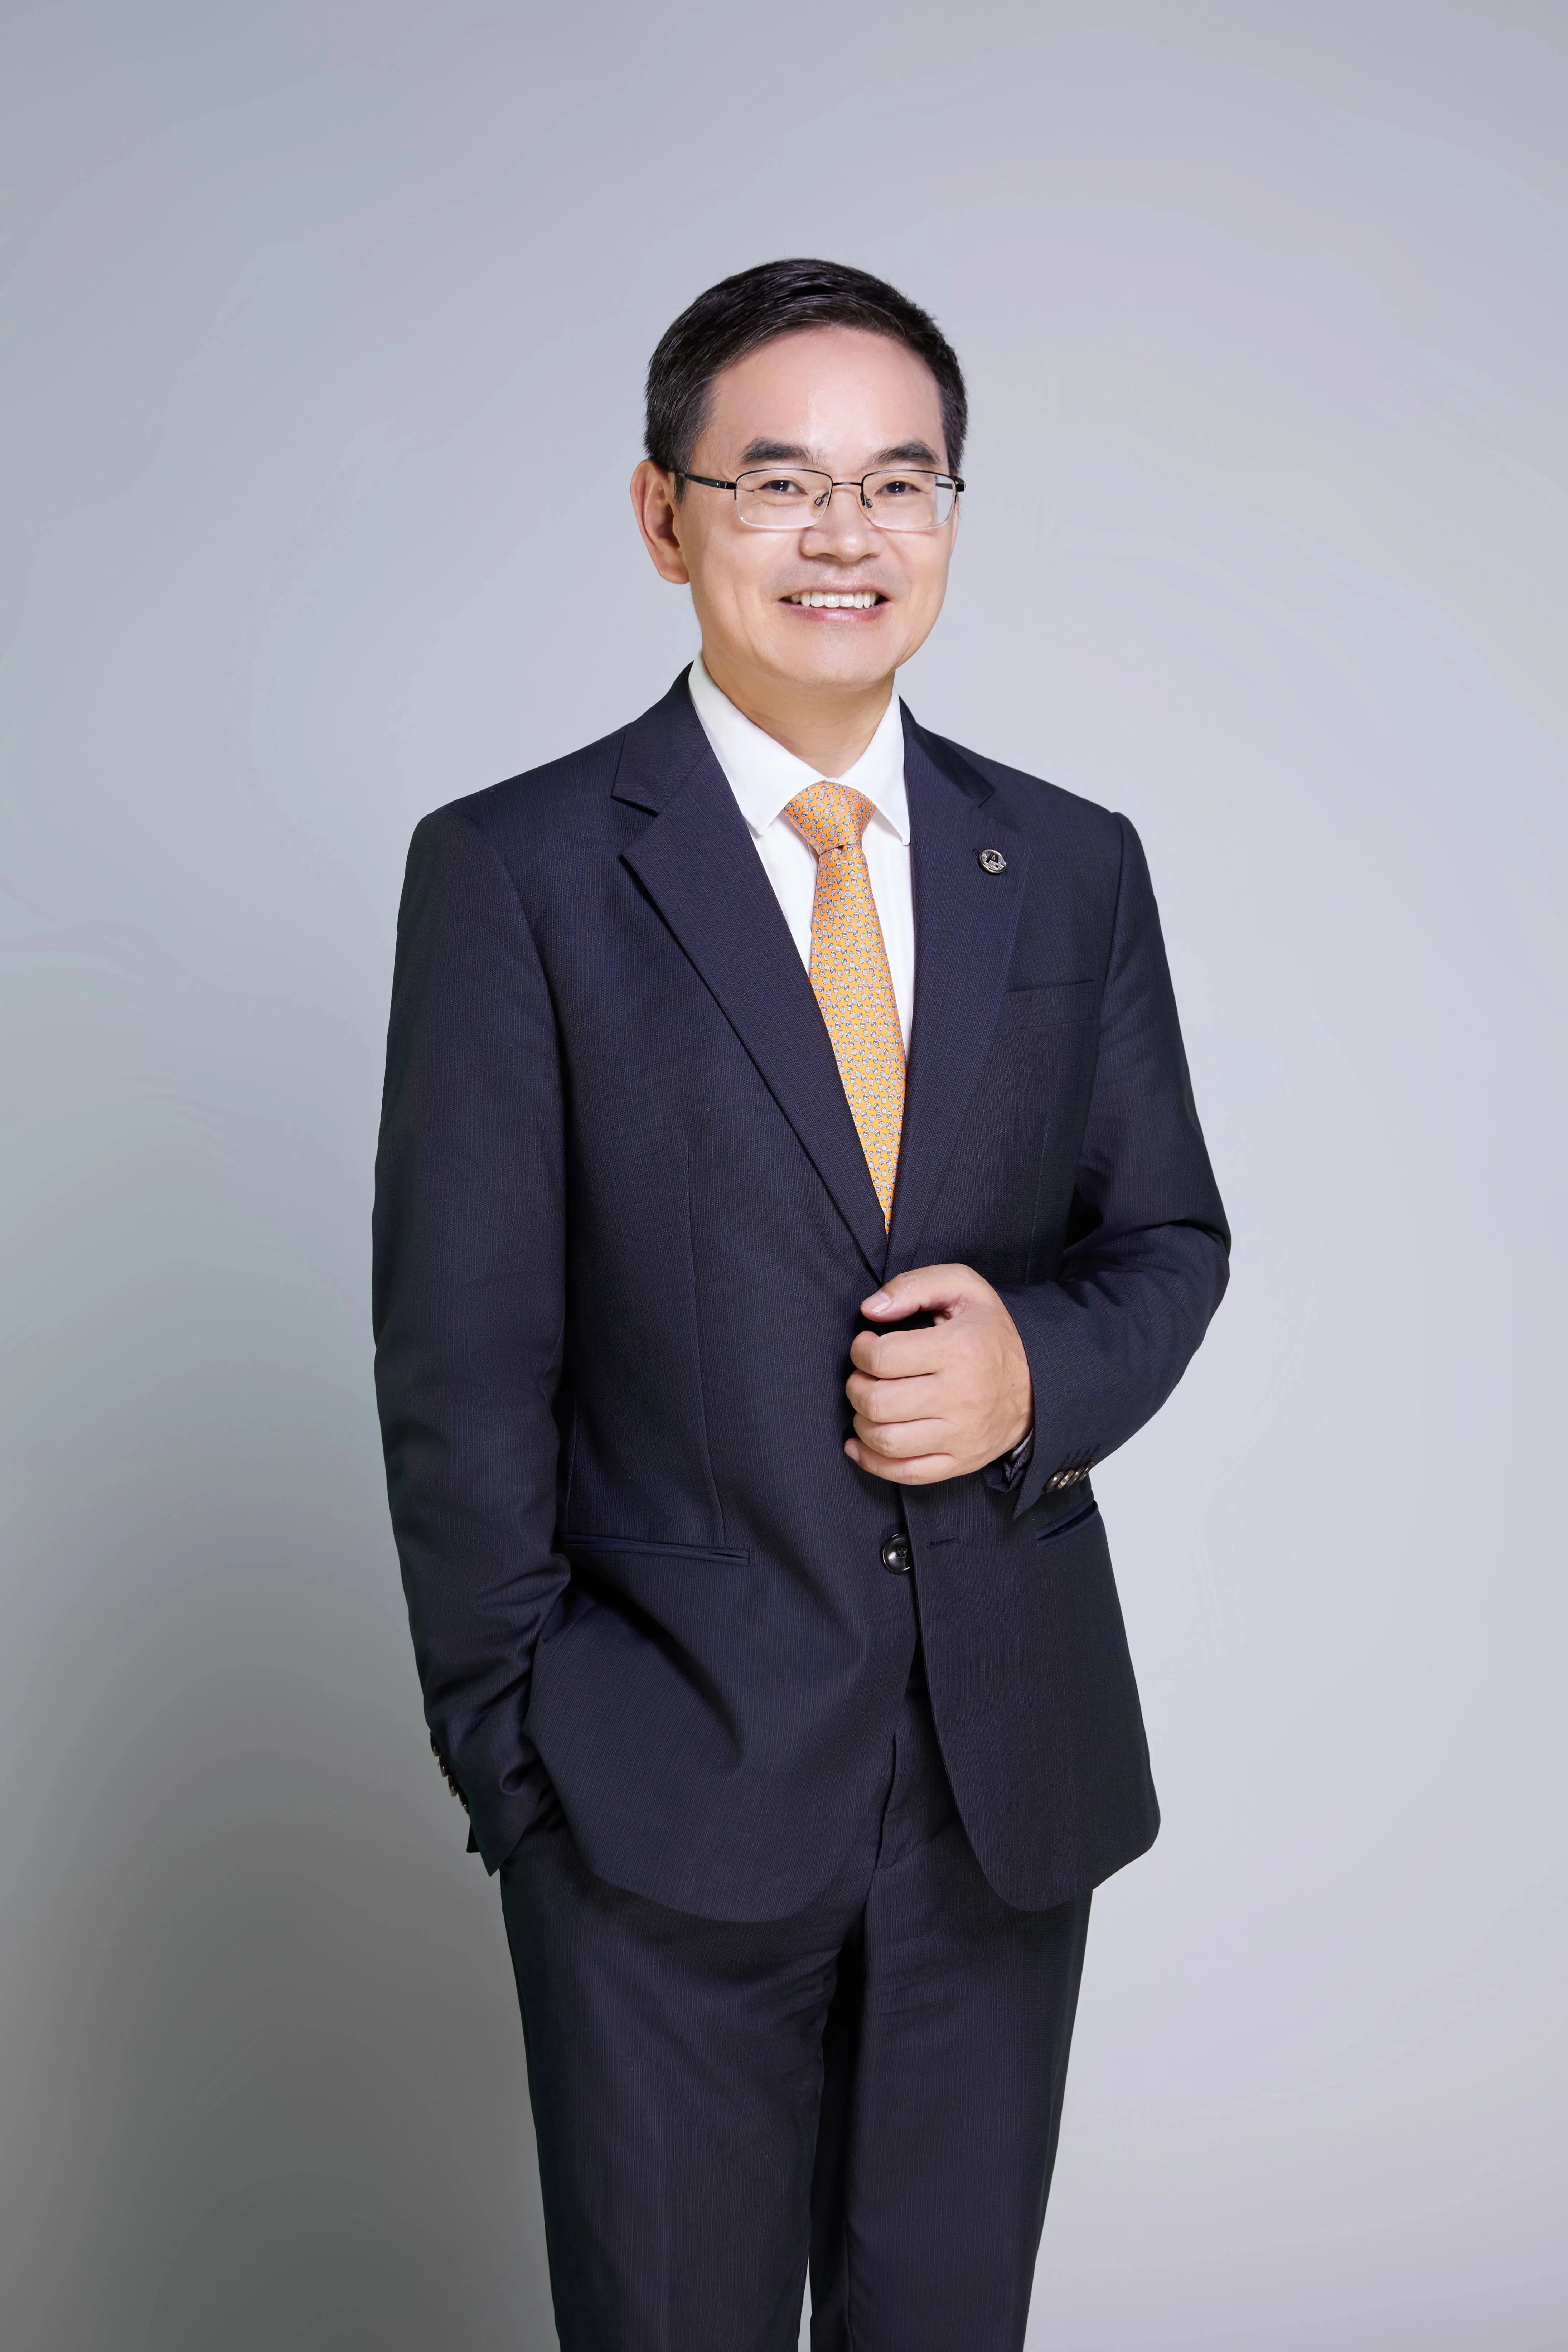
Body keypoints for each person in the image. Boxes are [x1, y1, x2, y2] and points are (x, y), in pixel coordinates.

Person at [372, 257, 1229, 2352]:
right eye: (779, 482)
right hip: (655, 1787)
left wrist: (1032, 1373)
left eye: (899, 481)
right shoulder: (521, 871)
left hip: (1000, 1788)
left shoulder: (1073, 864)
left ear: (950, 514)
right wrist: (523, 1771)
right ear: (665, 518)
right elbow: (461, 1358)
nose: (847, 534)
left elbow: (1168, 1241)